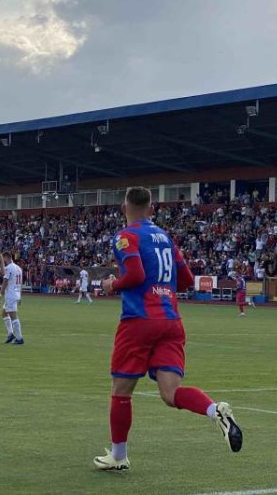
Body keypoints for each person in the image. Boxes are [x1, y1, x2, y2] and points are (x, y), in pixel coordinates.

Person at [94, 187, 242, 472]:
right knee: (170, 393)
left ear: (124, 208)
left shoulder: (126, 236)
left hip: (139, 320)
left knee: (121, 391)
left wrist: (112, 285)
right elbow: (186, 279)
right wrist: (162, 290)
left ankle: (119, 455)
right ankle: (215, 410)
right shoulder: (165, 237)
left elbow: (135, 275)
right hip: (171, 321)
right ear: (151, 209)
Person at [0, 252, 24, 344]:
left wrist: (0, 295)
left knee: (14, 316)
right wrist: (20, 296)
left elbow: (5, 282)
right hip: (16, 294)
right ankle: (10, 334)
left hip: (11, 295)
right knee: (4, 313)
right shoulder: (18, 268)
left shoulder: (8, 268)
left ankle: (19, 338)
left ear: (6, 257)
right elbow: (20, 283)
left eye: (3, 258)